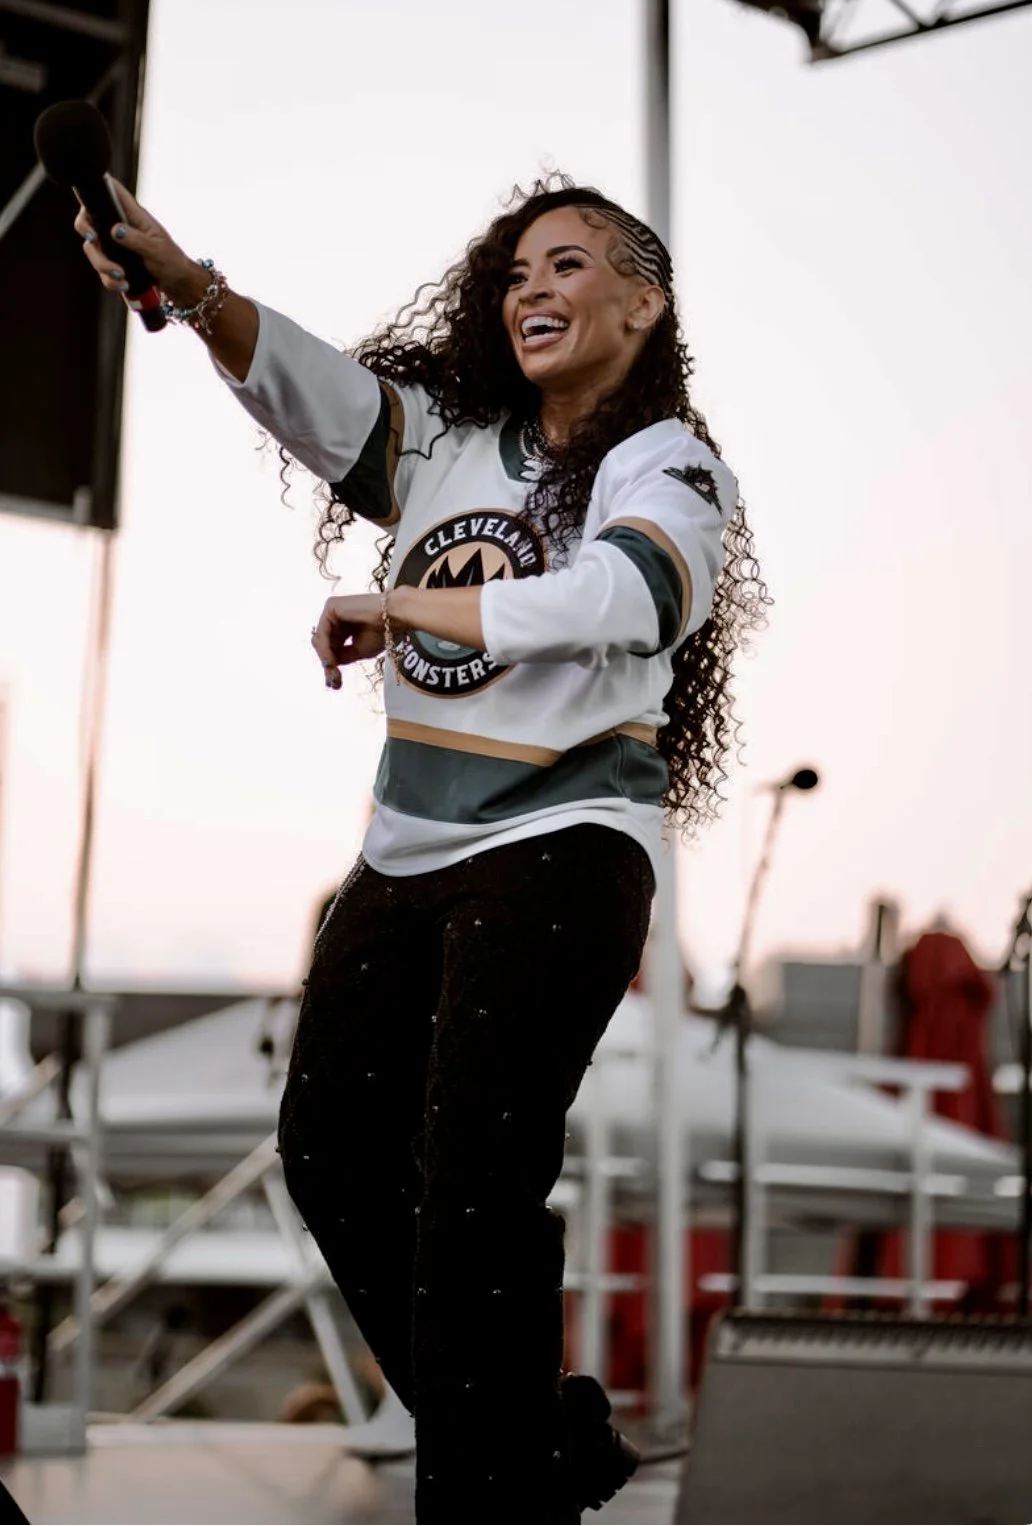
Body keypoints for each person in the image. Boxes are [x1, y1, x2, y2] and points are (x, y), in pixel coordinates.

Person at [75, 174, 766, 1523]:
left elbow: (627, 595)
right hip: (406, 858)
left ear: (644, 302)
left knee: (474, 1187)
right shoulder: (450, 442)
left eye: (569, 265)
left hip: (563, 841)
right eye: (515, 273)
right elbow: (308, 387)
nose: (531, 291)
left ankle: (494, 1490)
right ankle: (533, 1437)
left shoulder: (666, 462)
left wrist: (406, 604)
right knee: (332, 1148)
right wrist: (188, 287)